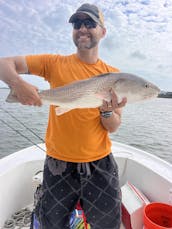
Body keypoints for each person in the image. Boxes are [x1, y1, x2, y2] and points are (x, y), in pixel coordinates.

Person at [0, 3, 127, 229]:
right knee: (52, 224)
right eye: (77, 24)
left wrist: (106, 111)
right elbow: (4, 64)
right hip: (58, 163)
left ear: (103, 31)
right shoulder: (54, 63)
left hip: (100, 162)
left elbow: (113, 126)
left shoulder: (114, 76)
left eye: (90, 23)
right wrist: (18, 83)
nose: (82, 28)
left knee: (108, 224)